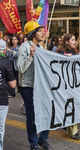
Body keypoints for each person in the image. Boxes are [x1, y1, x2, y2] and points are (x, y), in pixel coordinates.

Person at [17, 21, 53, 150]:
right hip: (28, 87)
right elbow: (20, 68)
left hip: (41, 87)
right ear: (33, 33)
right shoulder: (24, 47)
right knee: (32, 116)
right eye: (39, 30)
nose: (43, 32)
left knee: (47, 113)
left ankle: (42, 139)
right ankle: (33, 143)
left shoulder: (42, 48)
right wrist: (31, 56)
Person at [56, 34, 80, 140]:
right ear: (66, 42)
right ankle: (73, 131)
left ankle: (70, 127)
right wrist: (65, 58)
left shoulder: (75, 52)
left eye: (75, 40)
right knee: (69, 106)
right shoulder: (61, 52)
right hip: (64, 84)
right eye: (73, 40)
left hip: (74, 83)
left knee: (72, 106)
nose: (75, 42)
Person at [0, 40, 16, 150]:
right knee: (0, 128)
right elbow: (13, 84)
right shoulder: (6, 62)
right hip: (1, 98)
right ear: (5, 50)